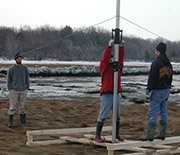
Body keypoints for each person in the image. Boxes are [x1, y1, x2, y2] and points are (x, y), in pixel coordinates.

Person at [139, 42, 173, 141]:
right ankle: (162, 134)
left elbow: (152, 78)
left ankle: (150, 135)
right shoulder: (169, 63)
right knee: (163, 111)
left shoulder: (156, 63)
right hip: (166, 90)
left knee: (153, 112)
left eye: (156, 51)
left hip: (157, 91)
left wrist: (148, 90)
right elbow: (170, 77)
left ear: (158, 51)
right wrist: (168, 86)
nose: (155, 52)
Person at [95, 39, 125, 142]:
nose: (111, 60)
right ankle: (97, 135)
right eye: (110, 59)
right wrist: (109, 46)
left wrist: (121, 47)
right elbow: (104, 59)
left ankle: (116, 134)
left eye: (113, 59)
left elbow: (120, 60)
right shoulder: (105, 67)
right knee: (103, 115)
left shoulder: (117, 69)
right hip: (106, 94)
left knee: (117, 116)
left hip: (116, 93)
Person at [7, 53, 29, 128]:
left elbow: (27, 78)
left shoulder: (25, 68)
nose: (20, 60)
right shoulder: (11, 69)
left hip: (23, 90)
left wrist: (27, 87)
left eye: (20, 59)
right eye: (18, 59)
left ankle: (23, 122)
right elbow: (8, 80)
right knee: (12, 107)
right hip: (14, 90)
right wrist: (10, 88)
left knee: (22, 107)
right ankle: (10, 122)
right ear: (15, 60)